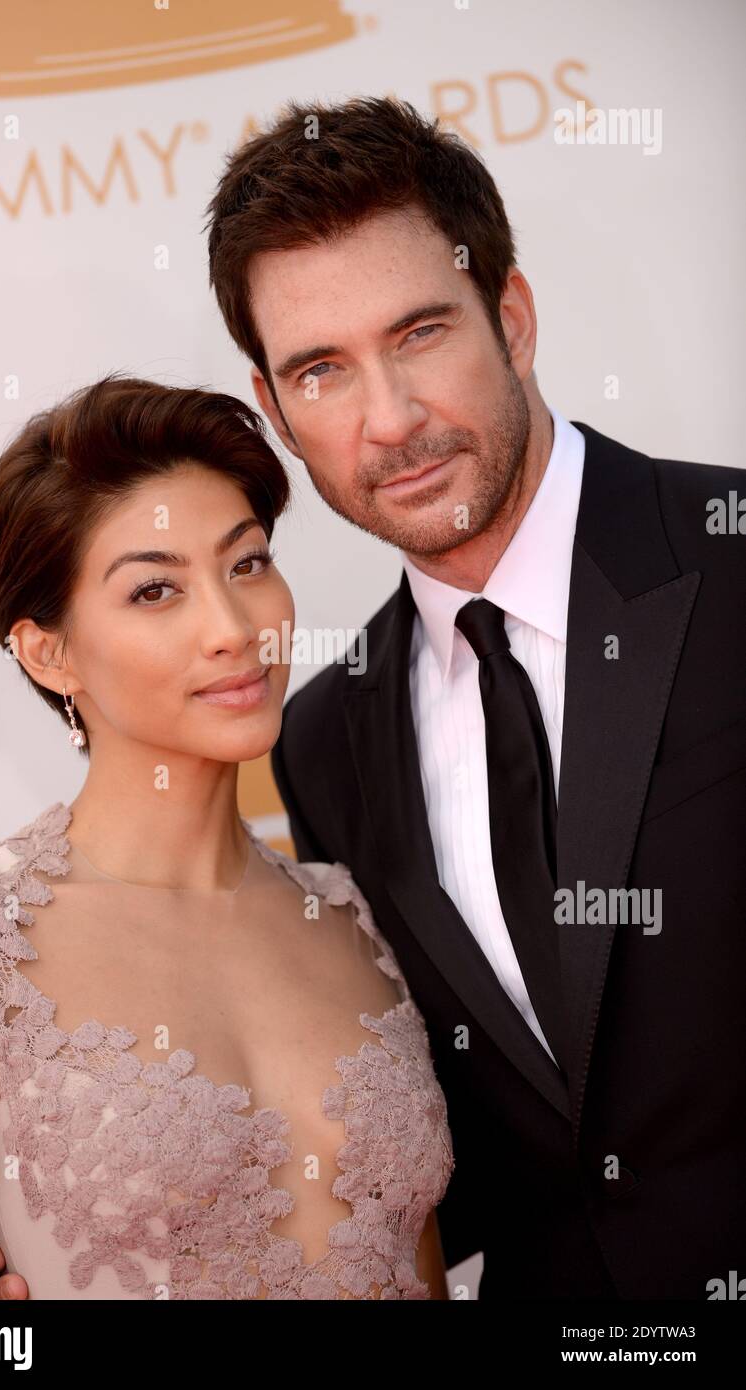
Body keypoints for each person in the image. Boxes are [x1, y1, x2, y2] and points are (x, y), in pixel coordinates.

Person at [203, 95, 744, 1299]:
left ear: (512, 314)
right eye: (323, 370)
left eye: (420, 333)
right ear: (277, 405)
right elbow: (476, 1137)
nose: (390, 420)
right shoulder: (323, 737)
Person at [0, 374, 454, 1300]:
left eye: (247, 564)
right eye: (155, 591)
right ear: (49, 653)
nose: (233, 630)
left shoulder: (351, 922)